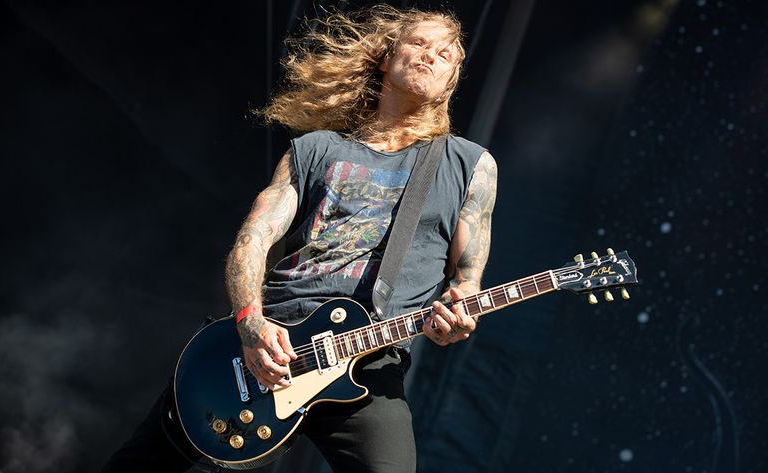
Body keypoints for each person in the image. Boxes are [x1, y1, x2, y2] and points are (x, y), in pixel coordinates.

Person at [103, 5, 496, 473]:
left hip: (371, 363)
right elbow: (254, 237)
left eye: (447, 55)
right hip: (267, 344)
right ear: (385, 57)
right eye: (420, 44)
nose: (433, 57)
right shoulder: (316, 149)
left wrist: (456, 317)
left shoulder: (470, 166)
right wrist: (251, 325)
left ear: (451, 80)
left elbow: (466, 285)